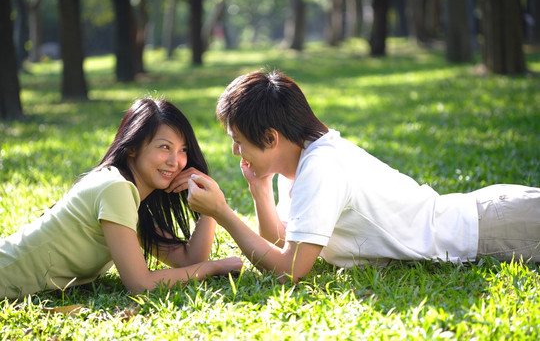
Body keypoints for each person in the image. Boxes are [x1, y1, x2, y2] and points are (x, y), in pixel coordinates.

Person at [168, 70, 540, 283]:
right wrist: (259, 189)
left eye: (238, 142)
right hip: (490, 218)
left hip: (493, 232)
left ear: (271, 138)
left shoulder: (321, 167)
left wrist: (222, 213)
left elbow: (291, 270)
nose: (235, 152)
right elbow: (283, 241)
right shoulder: (296, 162)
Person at [0, 98, 243, 299]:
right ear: (132, 148)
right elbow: (141, 285)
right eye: (164, 147)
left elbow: (189, 261)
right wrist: (214, 267)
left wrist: (210, 206)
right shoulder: (116, 189)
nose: (175, 161)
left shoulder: (128, 196)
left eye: (183, 150)